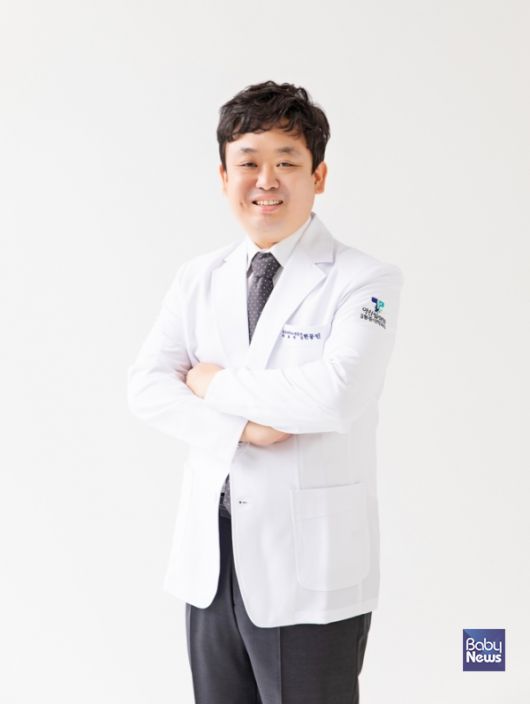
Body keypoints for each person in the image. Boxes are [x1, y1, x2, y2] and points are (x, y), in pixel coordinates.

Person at [127, 80, 404, 704]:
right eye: (248, 163)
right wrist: (245, 428)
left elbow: (336, 395)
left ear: (319, 176)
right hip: (212, 563)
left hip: (308, 568)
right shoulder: (198, 278)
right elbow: (146, 387)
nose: (266, 181)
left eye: (287, 162)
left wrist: (211, 382)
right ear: (223, 176)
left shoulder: (365, 281)